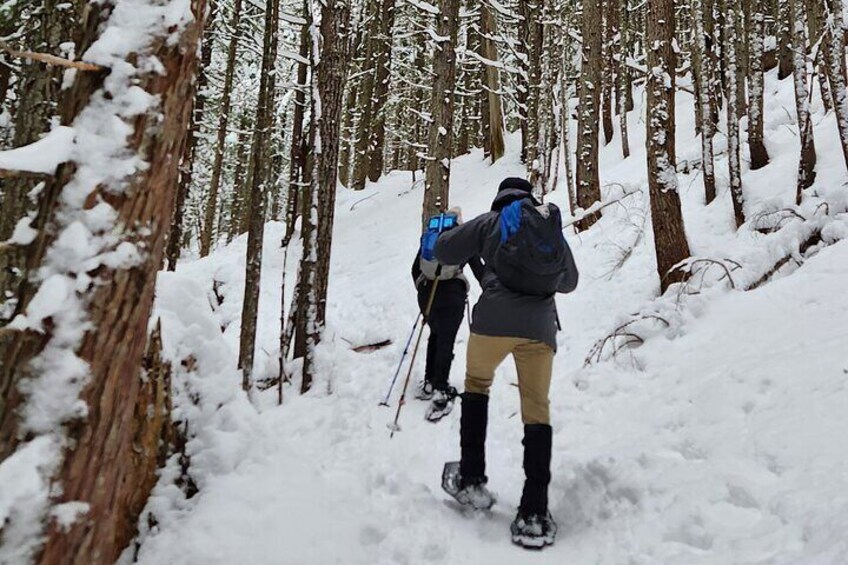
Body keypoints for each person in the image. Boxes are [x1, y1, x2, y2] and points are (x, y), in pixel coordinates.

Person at [434, 177, 579, 548]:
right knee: (536, 408)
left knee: (477, 386)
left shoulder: (490, 222)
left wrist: (456, 232)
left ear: (499, 197)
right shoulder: (546, 228)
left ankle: (471, 480)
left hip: (492, 322)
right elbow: (569, 282)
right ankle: (533, 511)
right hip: (540, 329)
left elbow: (444, 251)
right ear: (529, 198)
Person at [411, 208, 484, 422]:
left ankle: (429, 381)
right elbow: (480, 271)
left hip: (427, 295)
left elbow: (415, 269)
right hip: (452, 295)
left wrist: (422, 289)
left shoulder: (429, 239)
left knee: (435, 334)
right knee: (446, 339)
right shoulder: (463, 240)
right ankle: (440, 388)